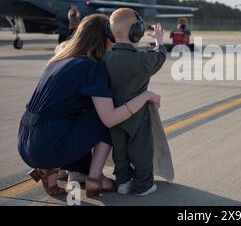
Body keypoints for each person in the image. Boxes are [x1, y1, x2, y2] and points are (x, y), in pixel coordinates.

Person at [17, 14, 161, 197]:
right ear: (106, 37)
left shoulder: (58, 60)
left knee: (69, 113)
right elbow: (110, 119)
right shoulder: (92, 67)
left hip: (25, 142)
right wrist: (145, 96)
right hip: (48, 147)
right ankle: (94, 179)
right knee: (106, 115)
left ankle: (51, 175)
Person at [103, 8, 167, 197]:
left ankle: (123, 182)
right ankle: (143, 185)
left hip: (114, 115)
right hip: (137, 116)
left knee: (119, 151)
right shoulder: (142, 59)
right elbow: (160, 56)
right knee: (142, 151)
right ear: (137, 32)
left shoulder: (104, 59)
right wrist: (159, 41)